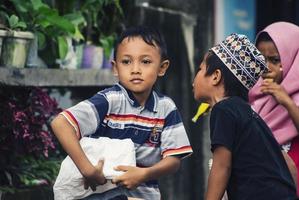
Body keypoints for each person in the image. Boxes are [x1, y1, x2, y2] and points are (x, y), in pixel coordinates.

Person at [51, 26, 193, 200]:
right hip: (102, 194)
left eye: (145, 62)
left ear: (162, 68)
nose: (135, 69)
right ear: (115, 68)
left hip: (146, 195)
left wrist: (144, 174)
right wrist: (88, 170)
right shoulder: (109, 100)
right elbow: (61, 123)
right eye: (126, 62)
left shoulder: (166, 108)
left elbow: (173, 160)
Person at [192, 33, 298, 200]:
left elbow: (221, 166)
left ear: (215, 76)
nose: (195, 77)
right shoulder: (251, 114)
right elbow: (290, 165)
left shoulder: (223, 110)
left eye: (200, 69)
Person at [249, 22, 299, 196]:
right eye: (261, 59)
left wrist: (287, 101)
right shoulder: (253, 93)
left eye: (275, 60)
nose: (266, 67)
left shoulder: (294, 96)